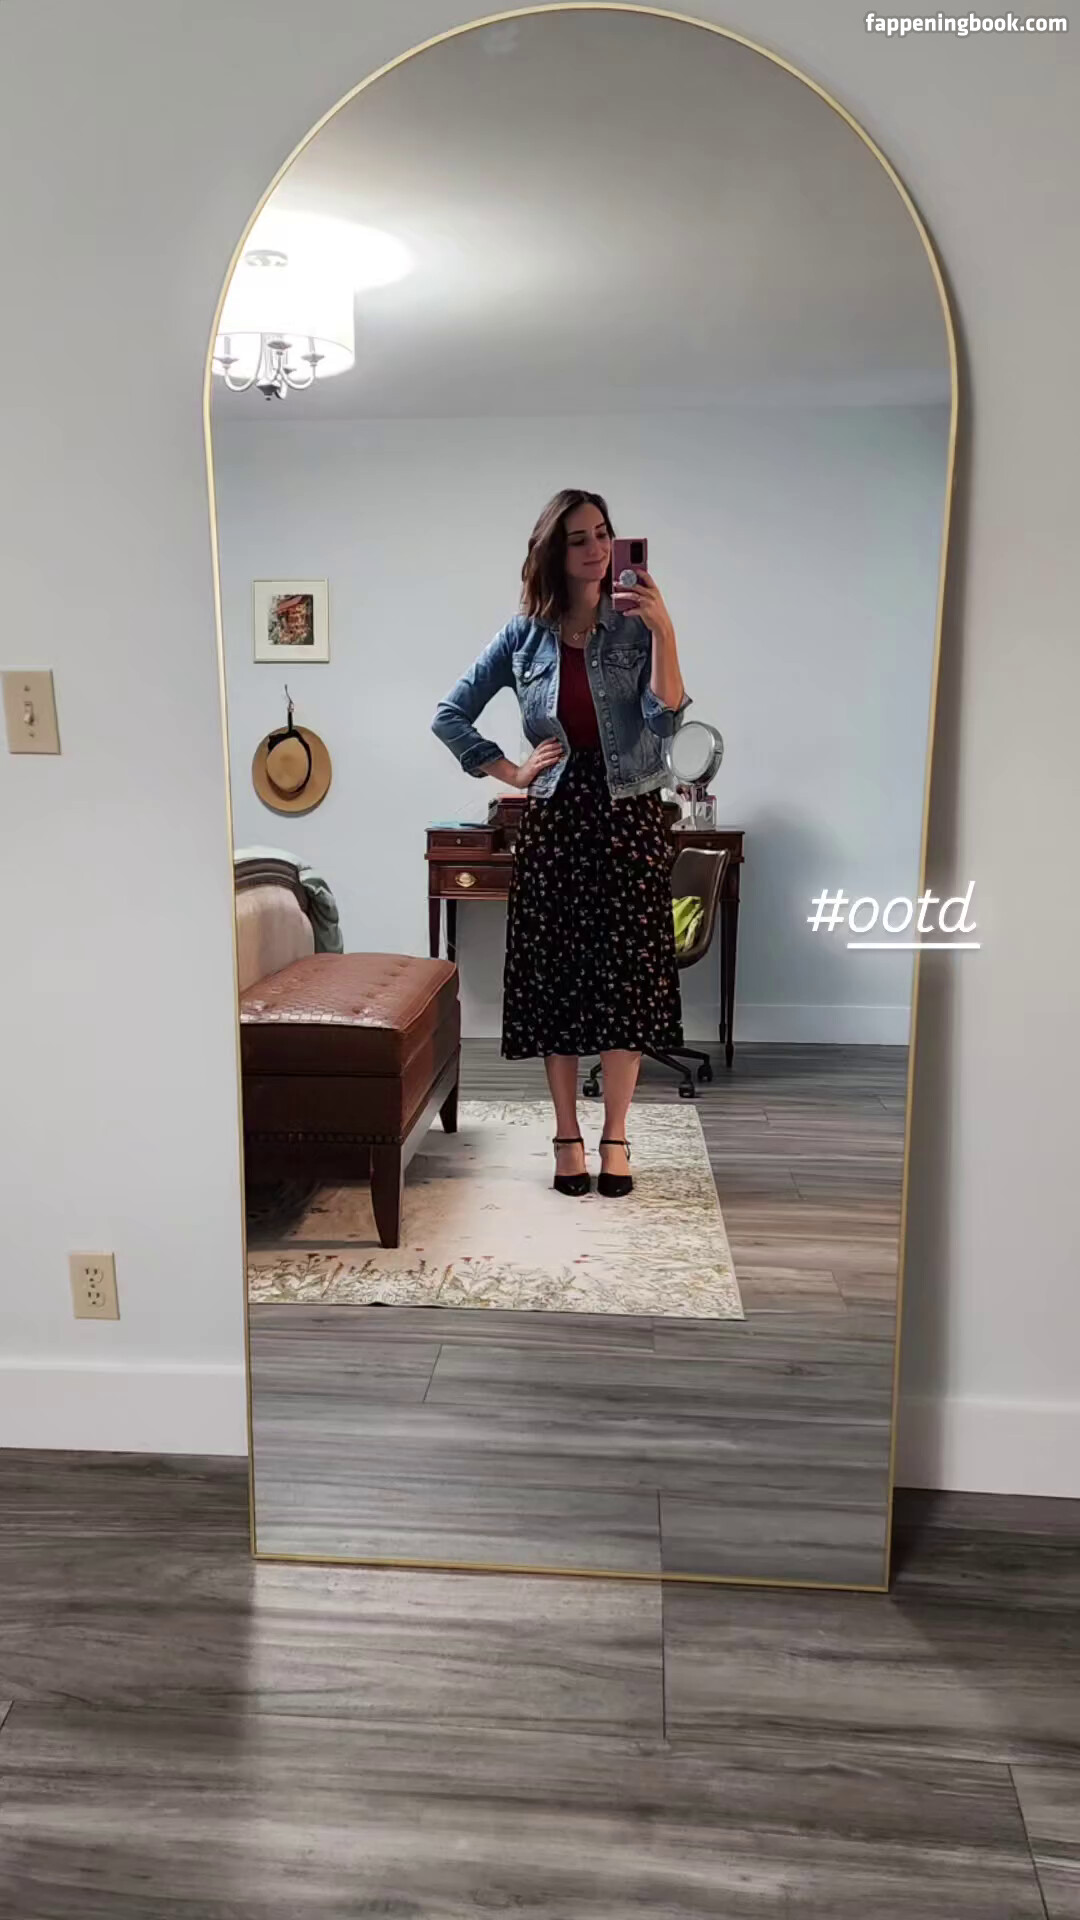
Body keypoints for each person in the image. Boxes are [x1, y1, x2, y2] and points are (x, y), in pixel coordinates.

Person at [431, 488, 690, 1198]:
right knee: (559, 980)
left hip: (630, 817)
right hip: (555, 823)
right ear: (554, 551)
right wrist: (512, 772)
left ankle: (616, 1136)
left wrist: (665, 631)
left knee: (626, 981)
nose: (597, 549)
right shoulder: (522, 636)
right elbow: (450, 714)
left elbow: (666, 722)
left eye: (603, 534)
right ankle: (567, 1135)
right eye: (579, 539)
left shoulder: (636, 626)